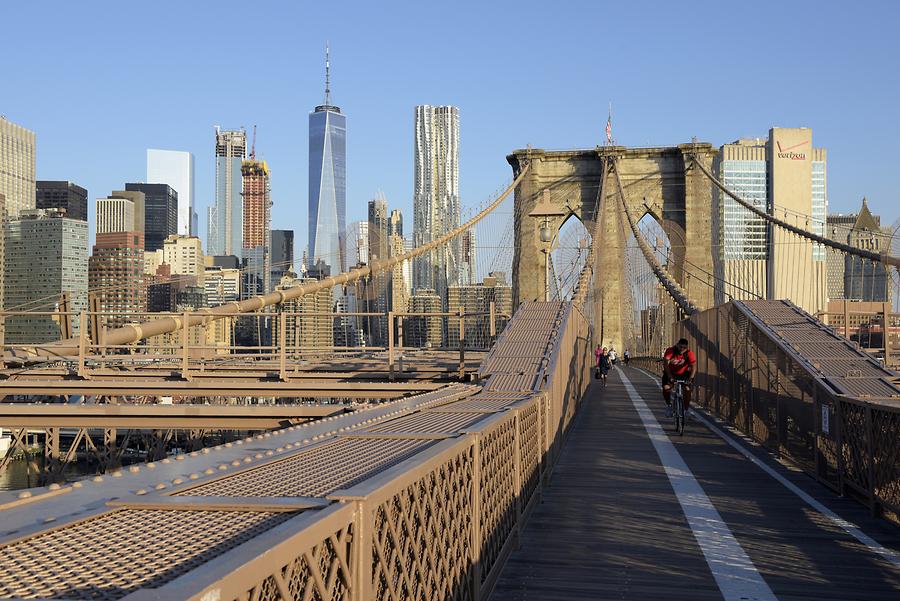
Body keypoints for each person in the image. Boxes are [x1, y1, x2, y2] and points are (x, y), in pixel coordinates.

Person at [663, 338, 696, 418]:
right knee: (666, 388)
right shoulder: (671, 351)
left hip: (684, 374)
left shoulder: (689, 353)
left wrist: (691, 378)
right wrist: (670, 376)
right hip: (671, 373)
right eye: (680, 347)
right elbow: (666, 363)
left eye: (684, 348)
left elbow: (693, 366)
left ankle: (686, 409)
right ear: (677, 345)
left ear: (687, 347)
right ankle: (669, 406)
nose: (682, 349)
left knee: (687, 389)